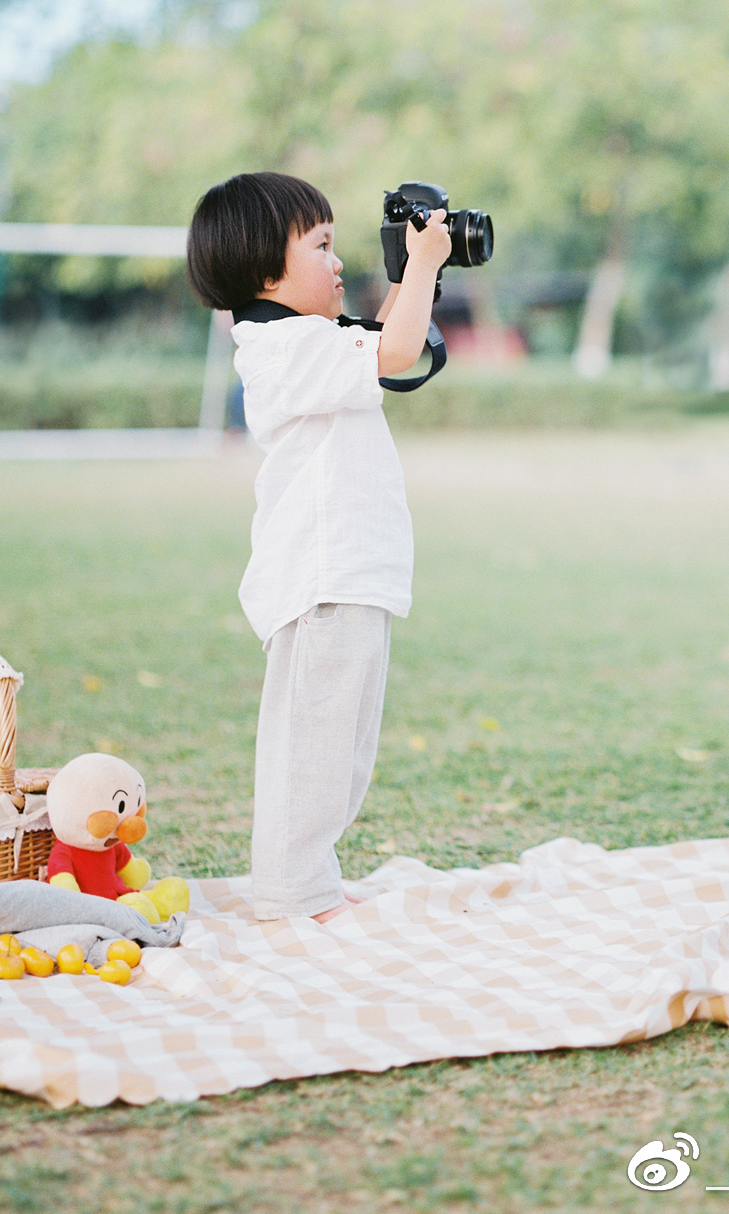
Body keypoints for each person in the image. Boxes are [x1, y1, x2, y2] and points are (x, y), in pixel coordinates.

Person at [186, 171, 452, 923]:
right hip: (322, 576)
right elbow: (397, 350)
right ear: (267, 271)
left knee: (343, 748)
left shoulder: (311, 341)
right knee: (313, 748)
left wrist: (410, 270)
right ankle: (291, 891)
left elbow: (387, 341)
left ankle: (312, 877)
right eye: (322, 245)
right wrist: (424, 265)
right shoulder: (283, 346)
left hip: (351, 572)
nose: (338, 263)